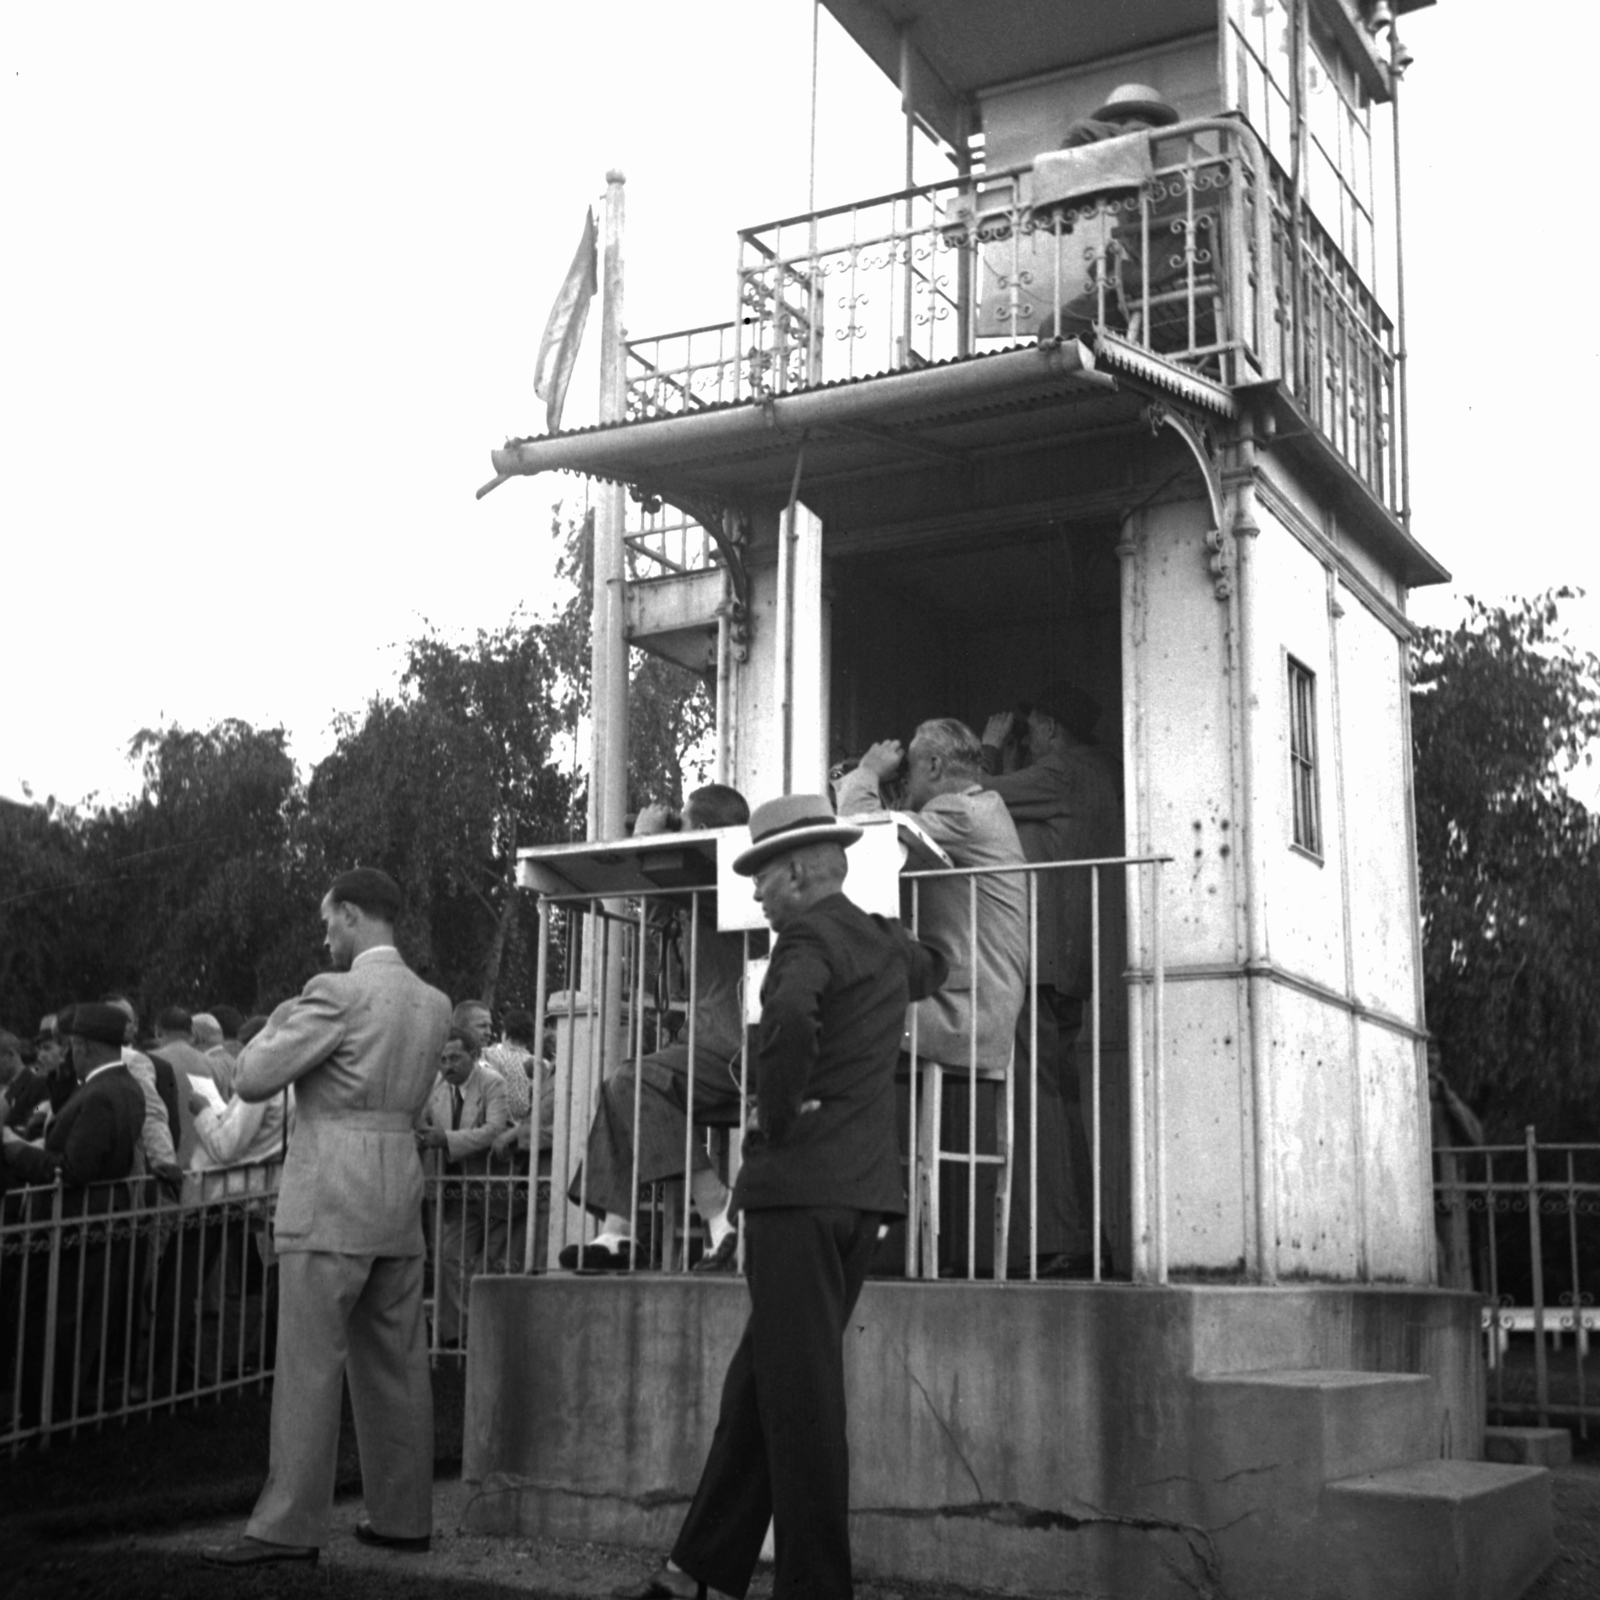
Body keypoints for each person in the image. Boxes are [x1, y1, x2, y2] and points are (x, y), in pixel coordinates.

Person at [619, 794, 945, 1600]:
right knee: (761, 1392)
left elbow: (791, 1017)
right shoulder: (879, 942)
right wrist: (896, 936)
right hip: (861, 1200)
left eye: (764, 877)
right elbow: (936, 963)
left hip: (797, 1199)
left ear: (798, 873)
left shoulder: (803, 939)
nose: (757, 894)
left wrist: (777, 1105)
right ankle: (699, 1573)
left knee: (799, 1410)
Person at [200, 867, 450, 1568]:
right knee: (397, 1365)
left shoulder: (333, 993)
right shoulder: (434, 1003)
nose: (323, 934)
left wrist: (279, 1020)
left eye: (327, 920)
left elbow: (250, 1077)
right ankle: (405, 1517)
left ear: (349, 915)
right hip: (399, 1188)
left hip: (329, 1190)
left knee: (310, 1365)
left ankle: (287, 1527)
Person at [563, 783, 751, 1272]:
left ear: (706, 832)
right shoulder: (695, 895)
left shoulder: (729, 874)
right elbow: (663, 910)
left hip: (732, 1047)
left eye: (685, 825)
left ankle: (715, 1205)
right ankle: (615, 1233)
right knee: (620, 1087)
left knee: (629, 1081)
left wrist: (649, 837)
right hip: (706, 1043)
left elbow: (673, 888)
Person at [979, 683, 1123, 1276]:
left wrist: (988, 748)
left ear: (1055, 730)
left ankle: (1063, 1239)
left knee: (1040, 1099)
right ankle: (1082, 1236)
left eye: (1033, 727)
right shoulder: (1095, 775)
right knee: (1059, 1098)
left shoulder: (1062, 770)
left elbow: (979, 796)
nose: (1028, 737)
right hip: (1069, 958)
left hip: (1038, 958)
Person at [836, 720, 1028, 1074]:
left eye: (909, 768)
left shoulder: (964, 812)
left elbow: (861, 829)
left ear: (935, 766)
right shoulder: (983, 807)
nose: (905, 776)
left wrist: (867, 772)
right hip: (976, 1004)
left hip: (967, 1012)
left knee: (833, 1011)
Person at [415, 1026, 509, 1346]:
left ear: (474, 1055)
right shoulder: (436, 1087)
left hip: (488, 1189)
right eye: (442, 1059)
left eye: (455, 1057)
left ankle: (479, 1337)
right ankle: (456, 1337)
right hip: (447, 1188)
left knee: (484, 1262)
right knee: (449, 1260)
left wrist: (448, 1140)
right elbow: (421, 1122)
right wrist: (423, 1133)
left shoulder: (492, 1083)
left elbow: (495, 1130)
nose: (447, 1065)